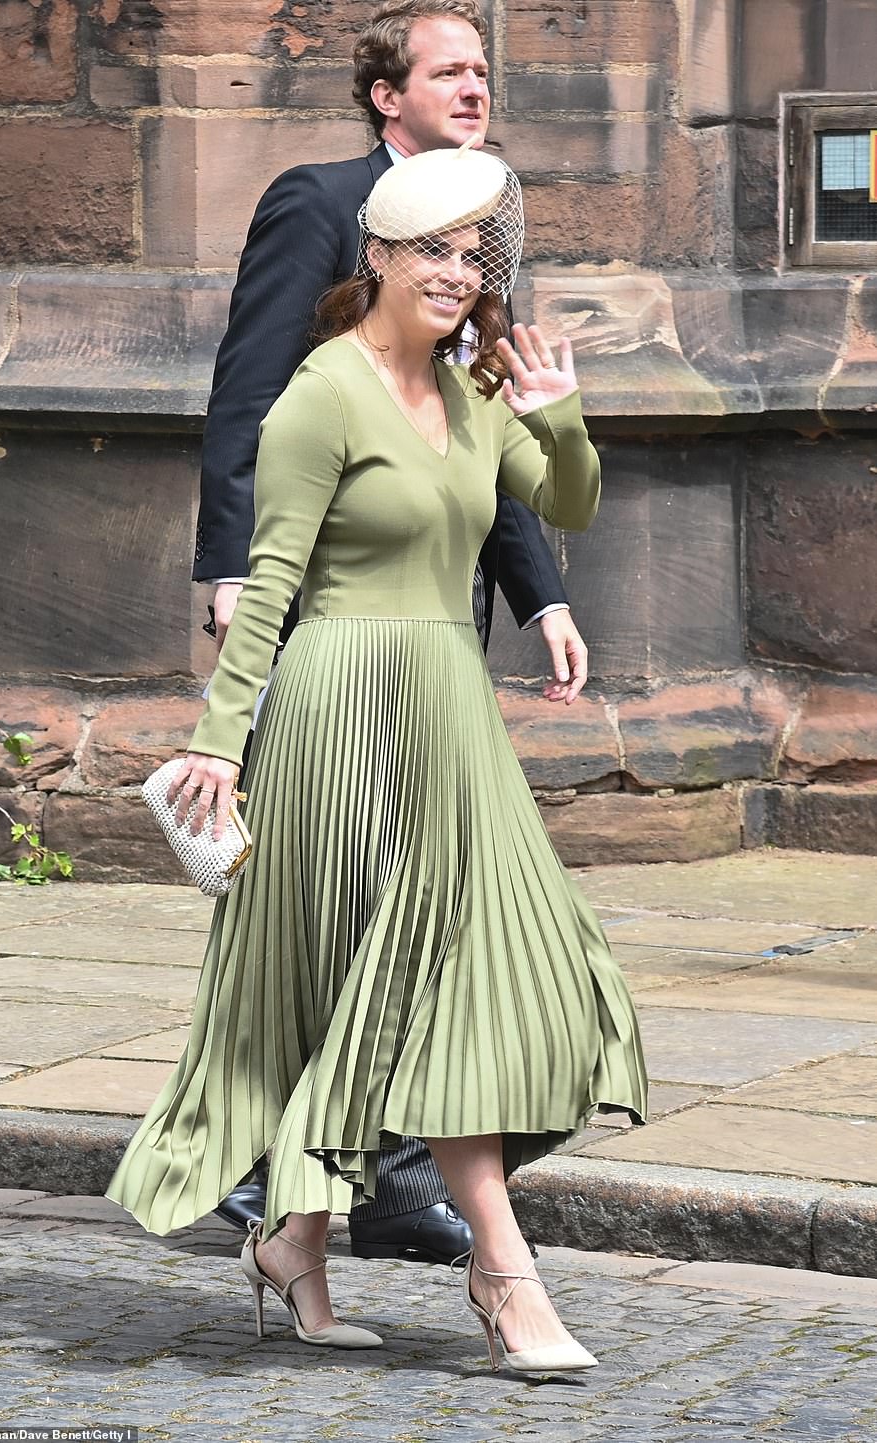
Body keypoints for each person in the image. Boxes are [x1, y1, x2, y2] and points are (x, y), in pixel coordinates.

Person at [107, 143, 647, 1376]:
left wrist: (554, 414)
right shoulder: (321, 394)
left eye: (476, 254)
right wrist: (219, 741)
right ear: (379, 258)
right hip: (337, 713)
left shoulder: (465, 401)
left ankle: (295, 1241)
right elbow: (271, 584)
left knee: (481, 966)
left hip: (450, 717)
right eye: (435, 250)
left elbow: (565, 505)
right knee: (393, 978)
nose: (459, 274)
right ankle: (504, 1281)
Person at [196, 0, 591, 1265]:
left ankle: (357, 1179)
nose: (474, 89)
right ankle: (301, 1176)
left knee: (421, 905)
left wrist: (543, 594)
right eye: (449, 71)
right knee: (327, 898)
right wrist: (228, 566)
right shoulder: (318, 203)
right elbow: (253, 390)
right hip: (324, 615)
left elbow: (475, 426)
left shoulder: (474, 239)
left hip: (431, 626)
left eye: (483, 71)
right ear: (386, 94)